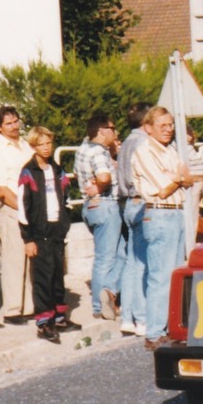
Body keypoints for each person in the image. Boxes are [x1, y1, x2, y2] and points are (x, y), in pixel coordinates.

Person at [131, 105, 203, 351]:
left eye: (171, 125)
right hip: (159, 214)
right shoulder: (143, 151)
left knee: (173, 275)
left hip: (176, 213)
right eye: (162, 126)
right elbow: (162, 189)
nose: (168, 130)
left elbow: (189, 178)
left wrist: (178, 178)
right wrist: (178, 179)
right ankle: (153, 333)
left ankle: (167, 327)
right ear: (148, 128)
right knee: (160, 277)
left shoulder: (170, 150)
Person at [16, 125, 76, 344]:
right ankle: (44, 322)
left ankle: (59, 316)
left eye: (48, 143)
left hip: (56, 231)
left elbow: (66, 199)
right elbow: (23, 207)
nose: (46, 148)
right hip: (38, 232)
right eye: (40, 144)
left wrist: (64, 222)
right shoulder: (28, 172)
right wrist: (28, 238)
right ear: (33, 146)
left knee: (57, 275)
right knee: (42, 277)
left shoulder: (57, 170)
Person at [0, 106, 32, 323]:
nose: (14, 126)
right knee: (14, 259)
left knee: (30, 259)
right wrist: (20, 208)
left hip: (31, 208)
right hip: (12, 208)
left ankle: (29, 306)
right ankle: (12, 310)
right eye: (8, 123)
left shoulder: (26, 146)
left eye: (16, 121)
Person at [74, 113, 124, 321]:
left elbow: (77, 174)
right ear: (102, 131)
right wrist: (101, 184)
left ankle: (108, 294)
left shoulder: (83, 149)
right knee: (106, 258)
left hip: (90, 207)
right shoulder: (99, 152)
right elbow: (104, 176)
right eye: (112, 128)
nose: (115, 132)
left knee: (119, 253)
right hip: (105, 204)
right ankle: (100, 303)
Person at [116, 102, 151, 338]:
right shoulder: (143, 143)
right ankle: (141, 318)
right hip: (140, 200)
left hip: (127, 202)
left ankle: (127, 317)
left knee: (131, 262)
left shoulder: (127, 142)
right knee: (141, 263)